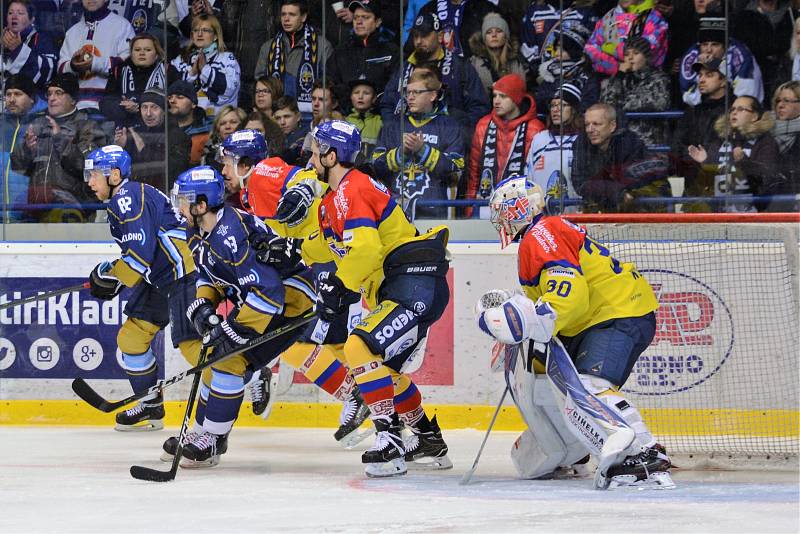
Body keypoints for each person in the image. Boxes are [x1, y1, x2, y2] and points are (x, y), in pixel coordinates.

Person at [475, 175, 673, 489]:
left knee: (591, 385)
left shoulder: (541, 233)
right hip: (607, 314)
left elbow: (568, 294)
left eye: (503, 211)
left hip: (615, 312)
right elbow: (551, 297)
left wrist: (531, 320)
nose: (500, 219)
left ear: (517, 209)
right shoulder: (543, 234)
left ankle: (642, 453)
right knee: (565, 384)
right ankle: (578, 448)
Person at [170, 164, 365, 464]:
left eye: (184, 200)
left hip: (291, 300)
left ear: (202, 204)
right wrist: (204, 304)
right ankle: (201, 431)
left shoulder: (230, 234)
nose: (179, 206)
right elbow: (210, 275)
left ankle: (213, 440)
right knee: (218, 358)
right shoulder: (195, 230)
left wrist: (235, 330)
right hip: (261, 299)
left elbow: (268, 293)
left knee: (229, 359)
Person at [294, 119, 453, 477]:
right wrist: (292, 249)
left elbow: (364, 251)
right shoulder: (334, 199)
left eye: (317, 151)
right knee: (382, 372)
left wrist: (338, 284)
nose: (311, 157)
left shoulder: (355, 188)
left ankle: (390, 442)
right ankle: (427, 438)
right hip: (404, 286)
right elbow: (326, 244)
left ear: (332, 155)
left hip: (413, 283)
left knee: (358, 349)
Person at [218, 129, 373, 445]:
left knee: (299, 340)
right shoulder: (249, 192)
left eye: (227, 162)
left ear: (245, 162)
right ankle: (358, 396)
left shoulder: (262, 173)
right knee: (300, 340)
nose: (223, 171)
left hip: (323, 262)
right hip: (313, 260)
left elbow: (307, 177)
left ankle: (362, 399)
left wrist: (303, 191)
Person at [82, 144, 202, 432]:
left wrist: (108, 274)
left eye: (93, 174)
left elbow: (137, 259)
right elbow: (137, 261)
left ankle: (240, 380)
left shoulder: (127, 196)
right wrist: (113, 276)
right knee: (132, 340)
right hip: (161, 278)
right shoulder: (121, 200)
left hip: (184, 273)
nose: (89, 181)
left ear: (113, 174)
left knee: (194, 347)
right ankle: (150, 407)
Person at [11, 73, 107, 222]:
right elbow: (18, 167)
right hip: (38, 213)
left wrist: (60, 141)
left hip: (75, 214)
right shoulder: (38, 124)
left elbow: (89, 167)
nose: (51, 98)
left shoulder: (89, 127)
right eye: (49, 94)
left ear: (74, 99)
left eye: (58, 93)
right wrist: (27, 149)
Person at [373, 68, 465, 220]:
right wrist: (401, 153)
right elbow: (376, 167)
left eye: (416, 92)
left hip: (435, 214)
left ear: (433, 95)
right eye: (408, 92)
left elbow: (456, 171)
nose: (410, 97)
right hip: (395, 214)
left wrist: (422, 150)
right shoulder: (393, 126)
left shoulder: (449, 126)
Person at [380, 12, 489, 136]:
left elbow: (479, 107)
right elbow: (387, 104)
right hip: (405, 138)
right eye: (415, 36)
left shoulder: (460, 67)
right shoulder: (403, 68)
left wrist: (457, 132)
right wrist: (394, 130)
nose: (419, 41)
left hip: (447, 141)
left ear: (440, 36)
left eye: (425, 35)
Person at [468, 73, 544, 217]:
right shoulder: (483, 125)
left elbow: (538, 178)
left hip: (522, 209)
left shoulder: (535, 129)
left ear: (516, 99)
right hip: (485, 205)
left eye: (503, 96)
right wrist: (470, 208)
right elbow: (474, 172)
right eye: (494, 96)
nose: (496, 101)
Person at [687, 95, 779, 212]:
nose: (734, 113)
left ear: (754, 116)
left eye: (741, 109)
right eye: (732, 109)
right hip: (718, 212)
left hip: (752, 214)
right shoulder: (720, 140)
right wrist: (706, 162)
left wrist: (743, 162)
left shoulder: (765, 142)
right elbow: (709, 183)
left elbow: (767, 181)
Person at [571, 102, 668, 212]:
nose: (590, 130)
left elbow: (631, 183)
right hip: (612, 197)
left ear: (612, 126)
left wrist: (613, 189)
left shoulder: (630, 143)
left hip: (646, 202)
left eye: (596, 124)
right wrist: (615, 190)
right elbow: (580, 184)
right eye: (587, 124)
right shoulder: (580, 144)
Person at [254, 0, 333, 119]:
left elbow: (328, 84)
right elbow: (260, 81)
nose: (286, 19)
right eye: (283, 14)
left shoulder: (322, 46)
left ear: (303, 17)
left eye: (292, 14)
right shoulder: (268, 47)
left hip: (309, 117)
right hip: (275, 116)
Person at [57, 0, 135, 110]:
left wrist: (93, 63)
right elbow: (60, 69)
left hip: (110, 108)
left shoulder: (123, 26)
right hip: (75, 109)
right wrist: (73, 65)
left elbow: (128, 64)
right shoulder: (72, 31)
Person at [328, 0, 399, 113]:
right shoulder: (340, 51)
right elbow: (331, 83)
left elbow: (394, 88)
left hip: (381, 116)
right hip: (345, 117)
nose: (359, 22)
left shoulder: (391, 51)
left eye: (365, 17)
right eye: (356, 18)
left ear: (378, 22)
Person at [114, 88, 190, 191]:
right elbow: (120, 175)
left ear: (164, 111)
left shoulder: (179, 137)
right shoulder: (133, 135)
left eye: (154, 107)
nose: (148, 113)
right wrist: (120, 149)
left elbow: (172, 174)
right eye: (144, 107)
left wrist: (144, 150)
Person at [599, 36, 670, 146]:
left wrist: (619, 106)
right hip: (621, 143)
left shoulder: (659, 78)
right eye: (627, 54)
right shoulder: (619, 78)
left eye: (636, 53)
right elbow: (606, 106)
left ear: (646, 57)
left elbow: (657, 103)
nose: (630, 58)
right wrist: (619, 76)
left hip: (648, 143)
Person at [679, 17, 764, 107]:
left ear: (725, 46)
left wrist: (719, 65)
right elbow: (688, 96)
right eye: (704, 44)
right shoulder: (692, 55)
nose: (708, 50)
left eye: (715, 44)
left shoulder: (741, 57)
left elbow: (747, 101)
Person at [526, 83, 584, 212]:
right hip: (543, 220)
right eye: (553, 105)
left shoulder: (582, 140)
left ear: (574, 109)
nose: (555, 110)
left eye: (562, 105)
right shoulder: (540, 139)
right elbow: (529, 177)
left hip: (576, 217)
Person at [170, 13, 241, 118]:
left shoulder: (227, 59)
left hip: (220, 122)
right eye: (195, 30)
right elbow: (172, 93)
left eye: (205, 30)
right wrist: (192, 74)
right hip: (190, 123)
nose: (199, 34)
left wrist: (205, 70)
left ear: (216, 36)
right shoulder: (181, 59)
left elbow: (227, 91)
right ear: (191, 35)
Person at [673, 57, 732, 180]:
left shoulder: (736, 110)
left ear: (724, 81)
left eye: (709, 75)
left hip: (725, 181)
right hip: (694, 182)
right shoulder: (693, 111)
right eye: (700, 75)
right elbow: (678, 145)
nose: (702, 80)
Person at [1, 74, 47, 222]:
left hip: (31, 215)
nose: (12, 99)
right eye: (8, 94)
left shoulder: (45, 123)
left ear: (32, 98)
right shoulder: (1, 124)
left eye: (18, 94)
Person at [100, 34, 172, 126]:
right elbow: (105, 103)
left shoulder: (168, 71)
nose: (142, 53)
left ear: (157, 54)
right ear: (131, 53)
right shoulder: (119, 70)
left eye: (147, 50)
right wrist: (123, 107)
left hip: (160, 130)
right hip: (126, 128)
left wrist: (139, 107)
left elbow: (174, 103)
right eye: (137, 50)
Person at [584, 0, 668, 76]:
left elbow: (643, 52)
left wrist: (610, 48)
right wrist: (617, 67)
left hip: (643, 84)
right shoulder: (609, 17)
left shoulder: (654, 18)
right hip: (606, 84)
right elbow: (589, 51)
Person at [520, 0, 598, 74]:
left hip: (576, 72)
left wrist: (575, 67)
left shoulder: (585, 12)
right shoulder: (534, 11)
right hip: (543, 74)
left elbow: (591, 45)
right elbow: (527, 44)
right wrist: (538, 68)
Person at [415, 0, 502, 58]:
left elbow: (504, 43)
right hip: (438, 72)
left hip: (477, 71)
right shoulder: (429, 9)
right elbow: (413, 49)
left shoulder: (484, 7)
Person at [468, 12, 528, 97]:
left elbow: (524, 91)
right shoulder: (473, 63)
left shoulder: (518, 62)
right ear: (484, 38)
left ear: (506, 36)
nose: (494, 35)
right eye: (489, 32)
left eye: (499, 31)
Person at [1, 0, 57, 90]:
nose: (14, 17)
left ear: (32, 19)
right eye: (10, 13)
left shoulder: (42, 38)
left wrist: (18, 50)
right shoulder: (1, 38)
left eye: (20, 13)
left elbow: (48, 71)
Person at [764, 80, 800, 210]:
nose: (780, 105)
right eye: (778, 101)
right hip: (774, 203)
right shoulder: (763, 132)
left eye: (787, 101)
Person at [167, 79, 213, 166]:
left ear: (193, 104)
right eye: (169, 97)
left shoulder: (209, 129)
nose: (172, 101)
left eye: (180, 97)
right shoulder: (162, 129)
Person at [344, 79, 383, 157]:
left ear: (374, 98)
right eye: (356, 93)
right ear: (351, 96)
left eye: (366, 93)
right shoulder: (344, 122)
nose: (360, 96)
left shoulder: (381, 122)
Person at [200, 104, 245, 171]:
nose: (227, 127)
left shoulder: (253, 151)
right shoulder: (209, 155)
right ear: (218, 130)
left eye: (233, 122)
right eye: (223, 123)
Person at [273, 96, 308, 165]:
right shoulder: (272, 138)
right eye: (278, 118)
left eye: (287, 116)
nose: (282, 122)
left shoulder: (307, 137)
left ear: (298, 116)